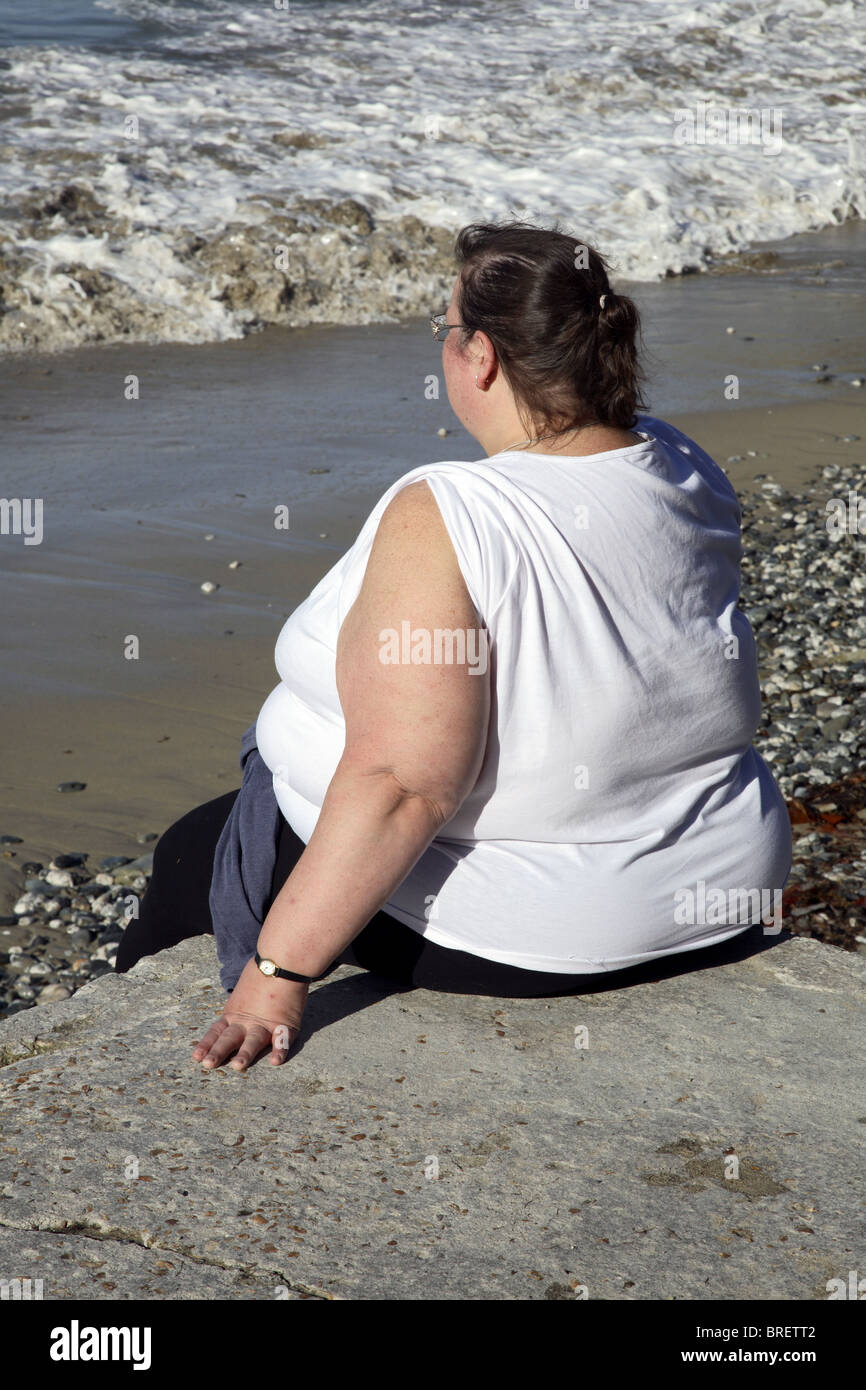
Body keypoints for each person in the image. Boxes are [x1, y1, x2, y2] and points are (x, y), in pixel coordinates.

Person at [115, 220, 792, 1073]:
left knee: (193, 850)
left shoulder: (450, 510)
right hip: (722, 882)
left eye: (447, 330)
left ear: (481, 359)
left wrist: (277, 976)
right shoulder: (679, 459)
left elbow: (407, 783)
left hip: (549, 925)